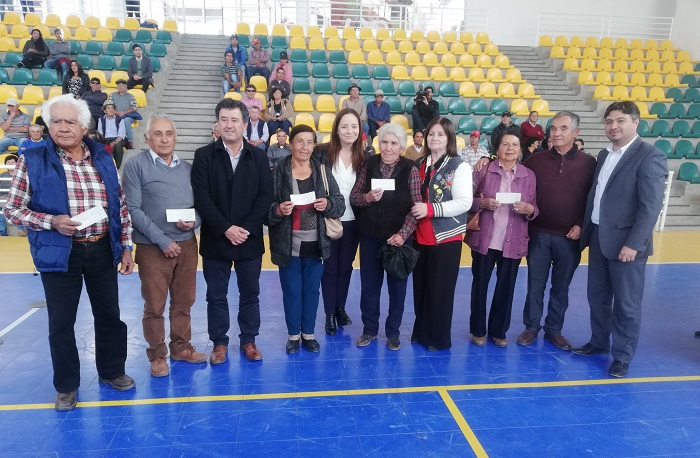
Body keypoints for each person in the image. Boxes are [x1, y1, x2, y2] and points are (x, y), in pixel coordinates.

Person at [2, 95, 136, 411]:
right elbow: (13, 209)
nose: (63, 128)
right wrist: (51, 221)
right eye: (56, 121)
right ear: (48, 125)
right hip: (59, 251)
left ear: (84, 126)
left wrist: (126, 247)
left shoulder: (104, 158)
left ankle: (112, 371)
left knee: (110, 316)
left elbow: (121, 207)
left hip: (102, 248)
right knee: (61, 323)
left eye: (69, 121)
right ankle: (66, 386)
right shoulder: (32, 158)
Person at [572, 101, 667, 378]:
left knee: (626, 303)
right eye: (609, 121)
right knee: (598, 297)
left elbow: (650, 206)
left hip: (627, 245)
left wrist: (634, 243)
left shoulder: (650, 156)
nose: (613, 126)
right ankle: (599, 342)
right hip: (600, 237)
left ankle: (622, 356)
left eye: (621, 120)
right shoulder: (604, 155)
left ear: (635, 123)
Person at [122, 114, 206, 377]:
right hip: (152, 248)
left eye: (169, 133)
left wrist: (193, 224)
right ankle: (157, 355)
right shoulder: (135, 166)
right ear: (147, 138)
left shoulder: (188, 169)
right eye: (158, 134)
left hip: (187, 245)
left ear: (175, 137)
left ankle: (181, 347)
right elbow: (133, 209)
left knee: (184, 302)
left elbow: (200, 207)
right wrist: (162, 240)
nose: (164, 139)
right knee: (154, 305)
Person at [191, 98, 273, 364]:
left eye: (234, 119)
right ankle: (219, 343)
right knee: (216, 295)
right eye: (224, 119)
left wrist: (245, 229)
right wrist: (226, 228)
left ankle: (249, 340)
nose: (229, 124)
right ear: (217, 123)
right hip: (217, 239)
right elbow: (202, 198)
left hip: (249, 240)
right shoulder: (204, 156)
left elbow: (265, 196)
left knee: (250, 293)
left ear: (245, 124)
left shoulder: (259, 156)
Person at [517, 111, 596, 351]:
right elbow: (514, 178)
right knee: (535, 284)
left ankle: (554, 329)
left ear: (576, 133)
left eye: (563, 128)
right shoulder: (535, 161)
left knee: (561, 287)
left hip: (569, 238)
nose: (557, 133)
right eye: (553, 128)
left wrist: (581, 225)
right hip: (538, 234)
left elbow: (593, 199)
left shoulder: (590, 164)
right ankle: (531, 327)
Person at [268, 124, 345, 353]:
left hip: (316, 243)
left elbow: (339, 203)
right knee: (292, 290)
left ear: (314, 145)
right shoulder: (278, 171)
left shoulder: (322, 170)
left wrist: (328, 204)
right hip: (287, 243)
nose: (304, 146)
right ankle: (293, 335)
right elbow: (265, 208)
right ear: (290, 144)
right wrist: (278, 210)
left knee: (311, 290)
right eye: (299, 141)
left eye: (309, 142)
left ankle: (308, 333)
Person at [349, 123, 422, 350]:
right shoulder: (368, 165)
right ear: (378, 143)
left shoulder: (410, 169)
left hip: (398, 241)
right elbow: (354, 197)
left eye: (393, 143)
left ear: (401, 146)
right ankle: (369, 330)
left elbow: (416, 206)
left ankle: (393, 333)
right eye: (384, 142)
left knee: (397, 289)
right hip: (370, 237)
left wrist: (402, 235)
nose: (388, 148)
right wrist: (367, 198)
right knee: (369, 287)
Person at [466, 133, 539, 348]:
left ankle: (498, 331)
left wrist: (530, 209)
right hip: (484, 239)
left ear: (520, 150)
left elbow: (535, 206)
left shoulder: (529, 175)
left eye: (515, 144)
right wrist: (482, 203)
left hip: (513, 240)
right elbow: (466, 199)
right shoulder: (484, 169)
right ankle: (478, 330)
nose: (510, 148)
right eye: (505, 144)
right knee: (479, 286)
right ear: (497, 150)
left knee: (506, 289)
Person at [410, 118, 473, 351]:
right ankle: (421, 330)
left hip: (446, 236)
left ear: (449, 138)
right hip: (419, 235)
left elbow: (465, 202)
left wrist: (431, 209)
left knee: (440, 290)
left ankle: (437, 338)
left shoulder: (459, 165)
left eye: (440, 134)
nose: (434, 138)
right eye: (430, 134)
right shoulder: (419, 164)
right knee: (421, 287)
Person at [314, 108, 367, 335]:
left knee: (346, 268)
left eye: (354, 126)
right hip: (329, 220)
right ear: (336, 128)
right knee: (330, 269)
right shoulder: (322, 154)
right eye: (344, 126)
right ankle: (328, 314)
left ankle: (340, 307)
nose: (349, 131)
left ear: (360, 130)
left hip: (353, 221)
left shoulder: (365, 158)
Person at [96, 100, 127, 168]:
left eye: (112, 108)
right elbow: (100, 133)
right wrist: (104, 141)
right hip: (105, 139)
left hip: (117, 139)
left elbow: (121, 135)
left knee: (118, 145)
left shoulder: (120, 120)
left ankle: (117, 166)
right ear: (105, 111)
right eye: (108, 108)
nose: (111, 110)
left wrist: (114, 142)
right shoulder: (101, 119)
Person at [109, 79, 139, 148]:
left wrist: (123, 112)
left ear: (126, 86)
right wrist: (116, 112)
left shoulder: (131, 96)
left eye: (122, 85)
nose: (120, 87)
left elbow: (134, 108)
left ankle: (129, 141)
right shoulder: (112, 95)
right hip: (115, 114)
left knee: (126, 120)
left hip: (127, 115)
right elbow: (109, 105)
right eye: (119, 85)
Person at [0, 154, 18, 236]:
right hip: (3, 198)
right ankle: (2, 231)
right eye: (8, 162)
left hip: (16, 198)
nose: (11, 164)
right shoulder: (2, 175)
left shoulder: (21, 174)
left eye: (13, 162)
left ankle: (22, 229)